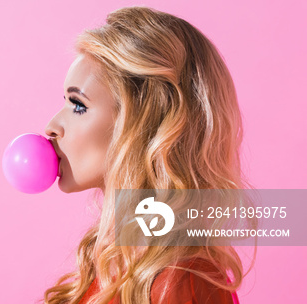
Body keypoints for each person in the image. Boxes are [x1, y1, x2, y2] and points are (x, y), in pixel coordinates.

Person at [40, 6, 255, 304]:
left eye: (78, 105)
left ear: (143, 122)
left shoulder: (182, 278)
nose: (51, 127)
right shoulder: (105, 262)